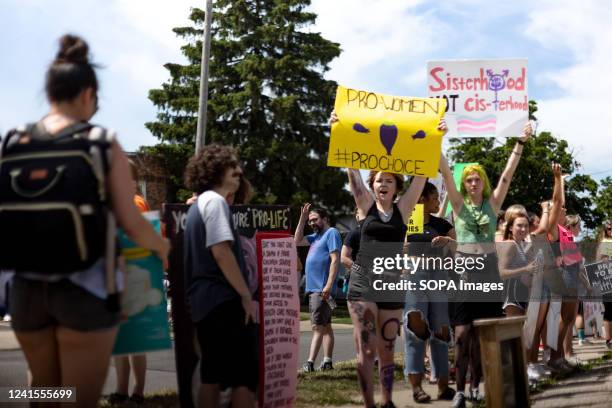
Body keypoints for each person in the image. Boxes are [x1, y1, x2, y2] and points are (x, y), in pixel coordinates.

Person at [5, 34, 169, 407]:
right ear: (87, 95)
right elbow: (132, 222)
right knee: (80, 397)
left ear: (49, 95)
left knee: (44, 389)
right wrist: (163, 246)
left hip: (26, 292)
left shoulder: (14, 141)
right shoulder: (99, 141)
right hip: (85, 290)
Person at [439, 121, 532, 407]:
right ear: (463, 184)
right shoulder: (457, 205)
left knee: (482, 333)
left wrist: (520, 143)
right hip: (464, 273)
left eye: (478, 179)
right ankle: (460, 390)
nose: (473, 183)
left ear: (483, 182)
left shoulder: (492, 205)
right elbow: (444, 168)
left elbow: (506, 176)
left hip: (488, 271)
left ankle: (478, 385)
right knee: (462, 334)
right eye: (469, 179)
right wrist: (438, 140)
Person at [183, 144, 258, 407]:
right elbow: (221, 252)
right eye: (232, 166)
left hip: (206, 304)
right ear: (215, 170)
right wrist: (245, 295)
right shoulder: (214, 202)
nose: (239, 171)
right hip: (223, 303)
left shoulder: (198, 206)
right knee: (243, 380)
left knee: (210, 375)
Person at [497, 164, 563, 381]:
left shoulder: (527, 242)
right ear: (510, 225)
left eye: (526, 225)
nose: (524, 229)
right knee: (514, 337)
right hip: (513, 297)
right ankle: (512, 376)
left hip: (529, 295)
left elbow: (553, 213)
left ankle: (527, 367)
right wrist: (526, 269)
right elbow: (502, 272)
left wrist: (558, 180)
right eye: (519, 225)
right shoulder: (506, 243)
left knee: (529, 333)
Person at [403, 182, 456, 403]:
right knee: (416, 327)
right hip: (415, 276)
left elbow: (457, 251)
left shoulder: (442, 225)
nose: (437, 201)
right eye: (434, 198)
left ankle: (443, 386)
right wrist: (404, 253)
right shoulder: (410, 221)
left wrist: (448, 241)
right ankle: (416, 387)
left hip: (439, 276)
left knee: (441, 328)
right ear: (422, 199)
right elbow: (402, 249)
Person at [109, 160, 151, 405]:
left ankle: (138, 392)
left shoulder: (137, 203)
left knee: (135, 341)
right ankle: (120, 390)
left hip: (134, 279)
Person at [295, 204, 342, 372]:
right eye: (310, 221)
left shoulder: (331, 233)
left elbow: (335, 260)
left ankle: (309, 363)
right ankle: (327, 362)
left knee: (317, 327)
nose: (312, 223)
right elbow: (296, 241)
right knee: (326, 325)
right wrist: (302, 218)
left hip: (321, 288)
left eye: (315, 219)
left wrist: (328, 285)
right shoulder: (315, 237)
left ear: (325, 219)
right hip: (316, 288)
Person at [596, 220, 612, 349]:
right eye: (609, 229)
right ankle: (609, 339)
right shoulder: (606, 243)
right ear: (605, 230)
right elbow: (601, 263)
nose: (611, 231)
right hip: (607, 281)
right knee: (609, 311)